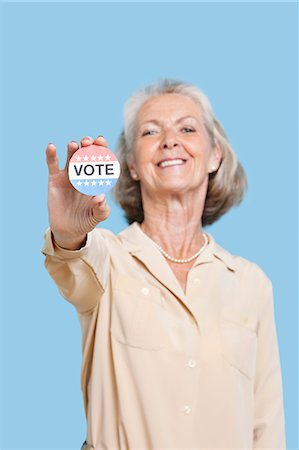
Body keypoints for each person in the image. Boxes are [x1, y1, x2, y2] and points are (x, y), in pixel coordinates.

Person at [42, 79, 286, 450]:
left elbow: (266, 427)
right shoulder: (108, 259)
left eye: (187, 128)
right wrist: (68, 233)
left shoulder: (251, 283)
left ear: (215, 155)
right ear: (133, 166)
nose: (170, 140)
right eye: (150, 132)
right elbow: (73, 262)